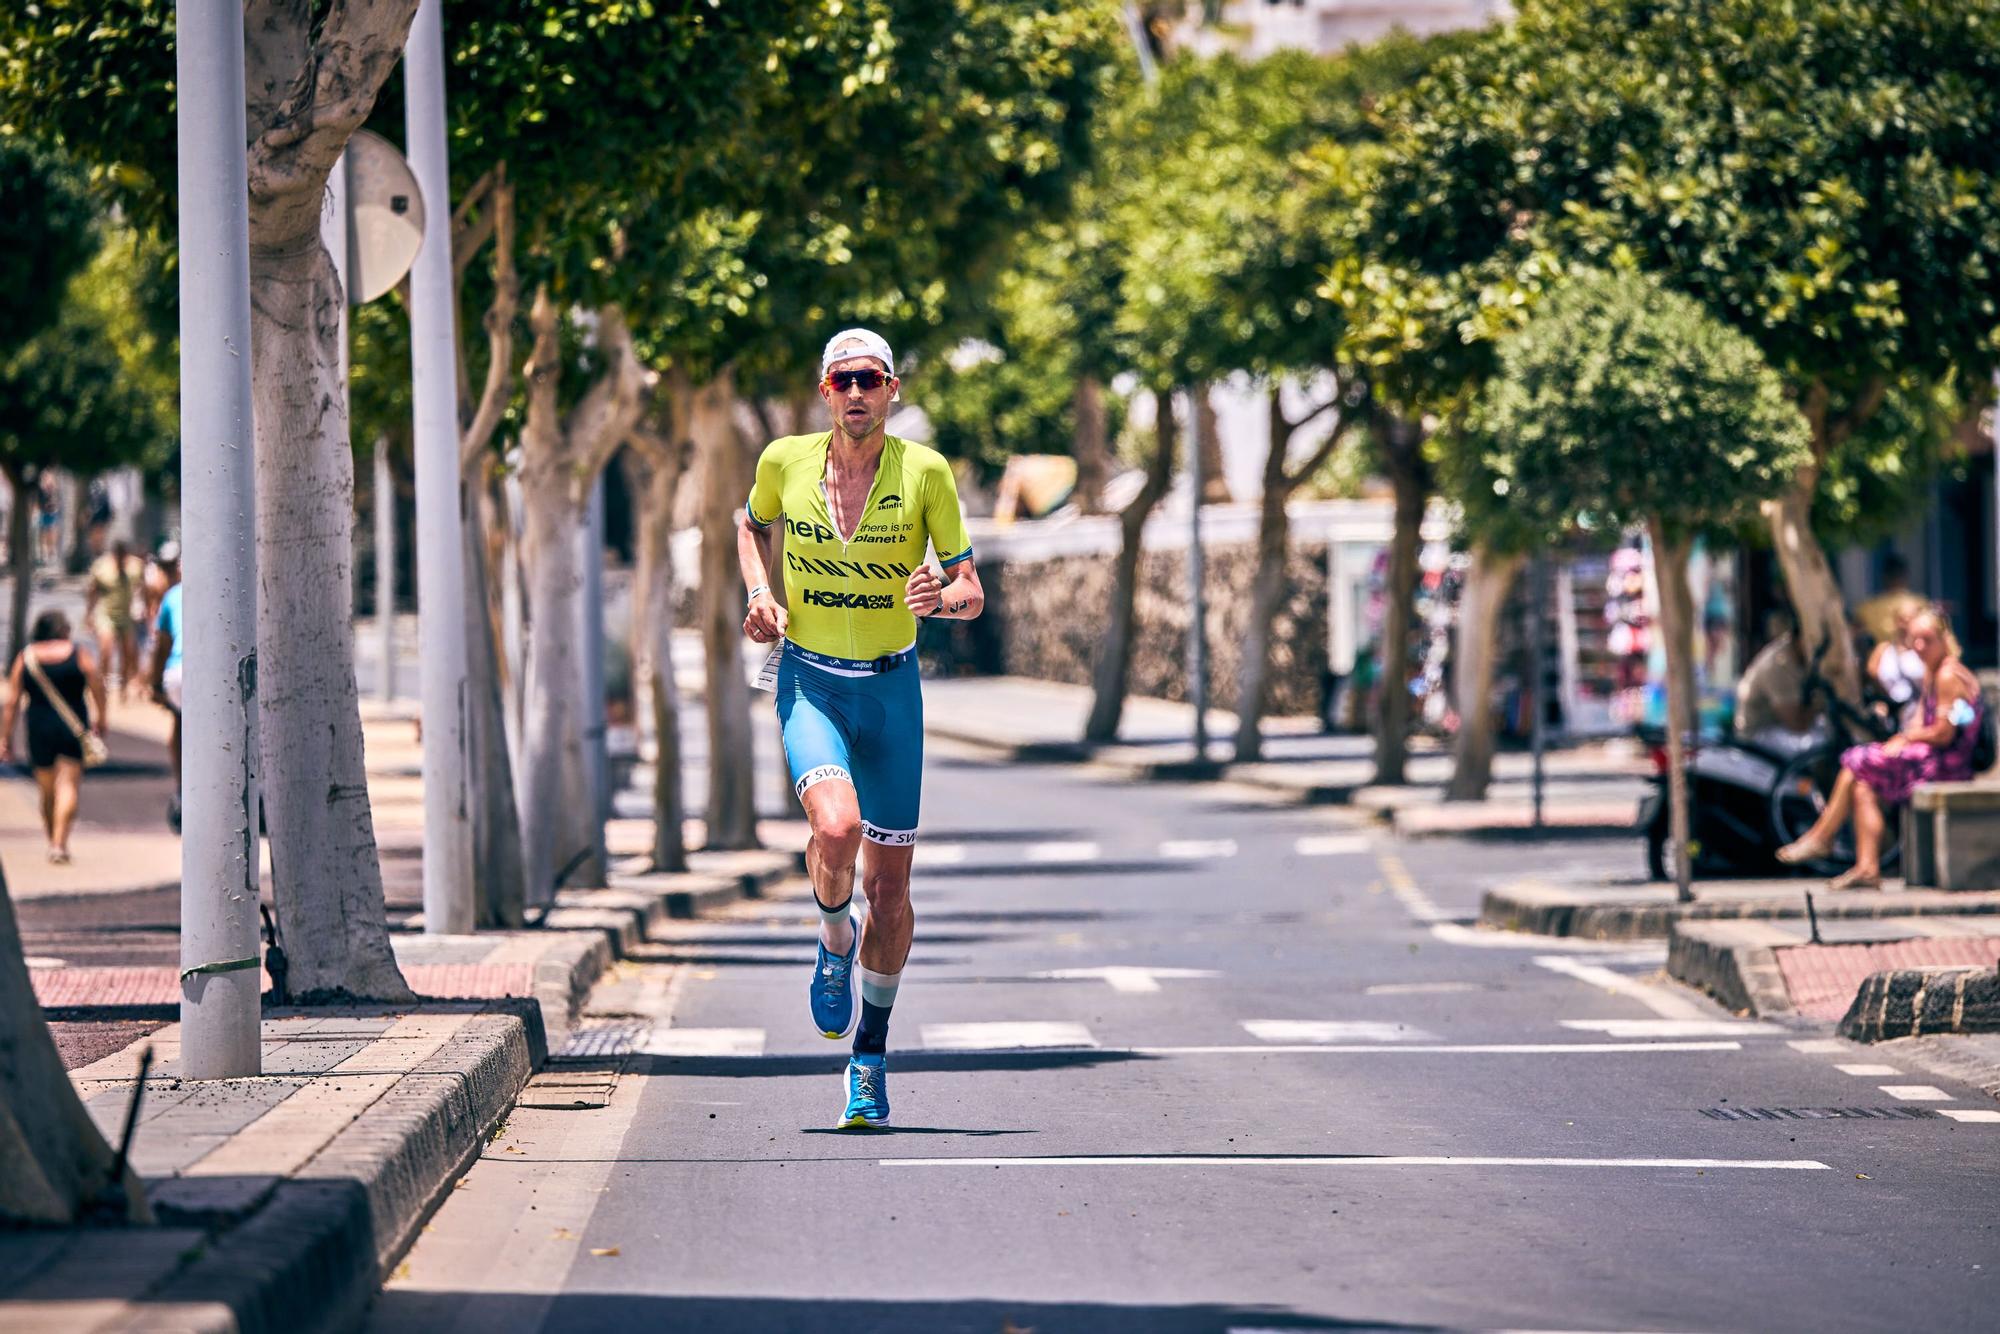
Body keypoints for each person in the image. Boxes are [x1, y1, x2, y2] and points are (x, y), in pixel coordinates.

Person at [737, 327, 982, 1128]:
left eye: (869, 380)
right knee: (835, 831)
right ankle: (831, 936)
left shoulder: (926, 474)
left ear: (892, 389)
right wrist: (761, 594)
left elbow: (971, 588)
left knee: (893, 890)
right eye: (841, 380)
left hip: (891, 694)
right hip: (810, 681)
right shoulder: (783, 461)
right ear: (823, 392)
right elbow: (750, 524)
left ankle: (868, 1061)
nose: (855, 394)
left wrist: (939, 597)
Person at [1778, 607, 1982, 890]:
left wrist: (1906, 739)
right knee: (1862, 785)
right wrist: (1904, 738)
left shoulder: (1948, 675)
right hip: (1930, 756)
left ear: (1944, 639)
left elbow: (1943, 734)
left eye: (1927, 640)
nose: (1920, 647)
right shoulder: (1933, 672)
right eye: (1915, 640)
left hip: (1946, 764)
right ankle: (1866, 867)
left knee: (1856, 760)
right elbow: (1924, 721)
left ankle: (1823, 837)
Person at [0, 610, 108, 864]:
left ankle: (53, 840)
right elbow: (97, 684)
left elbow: (12, 702)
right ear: (63, 629)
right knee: (68, 786)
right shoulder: (78, 652)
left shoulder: (26, 657)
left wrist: (6, 738)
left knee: (47, 791)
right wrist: (102, 718)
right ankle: (59, 844)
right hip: (73, 727)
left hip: (39, 727)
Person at [1733, 609, 1824, 755]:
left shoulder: (1803, 659)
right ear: (1799, 638)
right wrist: (1821, 702)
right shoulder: (1777, 664)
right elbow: (1796, 724)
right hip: (1758, 735)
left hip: (1780, 728)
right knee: (1821, 745)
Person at [146, 545, 184, 831]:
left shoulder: (172, 596)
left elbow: (162, 645)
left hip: (178, 673)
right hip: (205, 672)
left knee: (181, 724)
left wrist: (155, 683)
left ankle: (183, 789)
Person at [86, 538, 144, 699]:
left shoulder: (135, 567)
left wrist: (143, 607)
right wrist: (89, 615)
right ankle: (103, 683)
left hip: (126, 615)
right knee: (106, 649)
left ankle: (123, 687)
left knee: (128, 652)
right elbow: (92, 592)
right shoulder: (102, 567)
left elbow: (143, 587)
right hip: (106, 614)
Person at [1866, 604, 1927, 732]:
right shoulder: (1883, 649)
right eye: (1901, 619)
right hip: (1891, 716)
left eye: (1910, 619)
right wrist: (1882, 700)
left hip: (1919, 716)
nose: (1905, 623)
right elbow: (1870, 675)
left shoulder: (1924, 649)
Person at [1855, 553, 1925, 650]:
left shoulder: (1868, 607)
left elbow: (1855, 635)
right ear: (1906, 575)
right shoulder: (1921, 604)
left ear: (1884, 577)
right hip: (1914, 655)